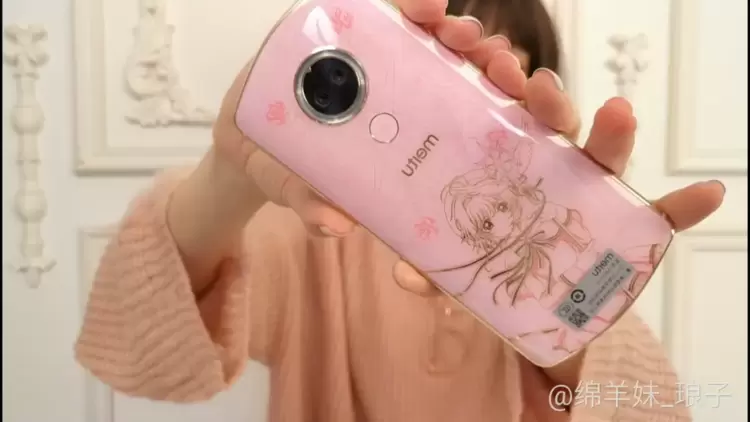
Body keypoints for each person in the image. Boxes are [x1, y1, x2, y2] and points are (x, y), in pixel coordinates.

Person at [75, 0, 725, 420]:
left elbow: (656, 409)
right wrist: (228, 171)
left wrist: (552, 300)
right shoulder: (311, 234)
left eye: (494, 88)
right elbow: (137, 356)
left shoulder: (557, 240)